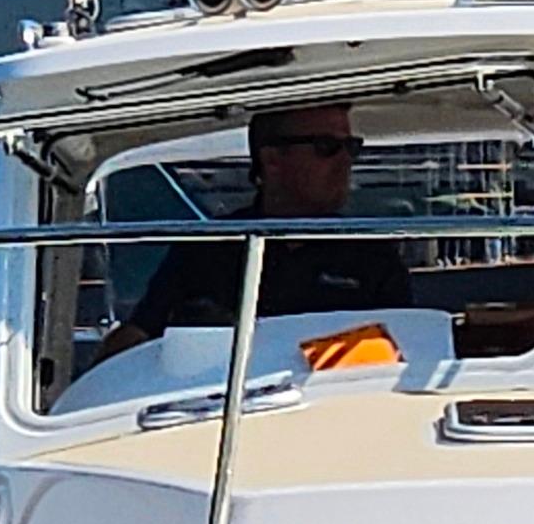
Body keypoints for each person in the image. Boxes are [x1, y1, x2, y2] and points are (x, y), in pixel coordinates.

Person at [105, 102, 410, 348]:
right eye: (326, 147)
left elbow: (405, 348)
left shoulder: (373, 255)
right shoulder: (208, 248)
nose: (345, 161)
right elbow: (139, 336)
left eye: (351, 147)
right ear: (272, 159)